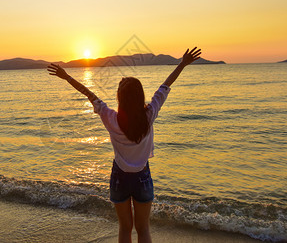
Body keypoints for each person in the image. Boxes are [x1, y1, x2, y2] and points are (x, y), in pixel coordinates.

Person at [47, 47, 201, 243]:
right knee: (143, 229)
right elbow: (165, 85)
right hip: (142, 177)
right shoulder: (149, 114)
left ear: (120, 98)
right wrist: (182, 64)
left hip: (119, 177)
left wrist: (67, 77)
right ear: (140, 97)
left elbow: (89, 93)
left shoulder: (110, 117)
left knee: (125, 228)